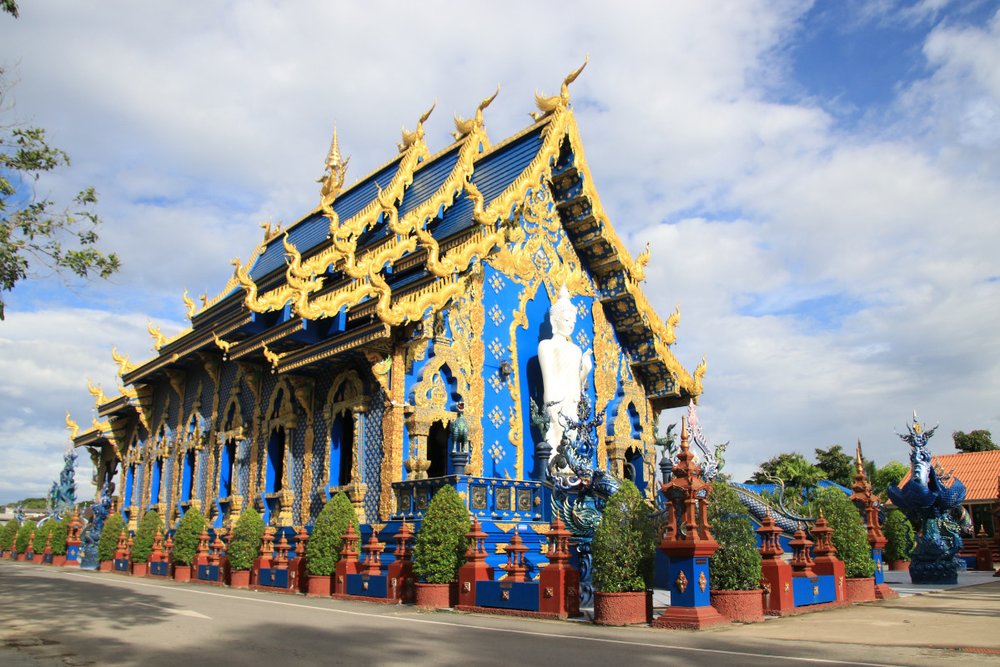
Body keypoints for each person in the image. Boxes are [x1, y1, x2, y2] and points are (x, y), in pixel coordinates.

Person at [537, 285, 592, 464]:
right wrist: (551, 407)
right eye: (567, 320)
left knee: (571, 443)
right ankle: (554, 471)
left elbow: (577, 384)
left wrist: (585, 370)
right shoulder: (546, 346)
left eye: (573, 322)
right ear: (555, 320)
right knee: (555, 443)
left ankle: (569, 471)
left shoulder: (576, 350)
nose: (570, 325)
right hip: (556, 401)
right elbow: (548, 379)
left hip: (572, 403)